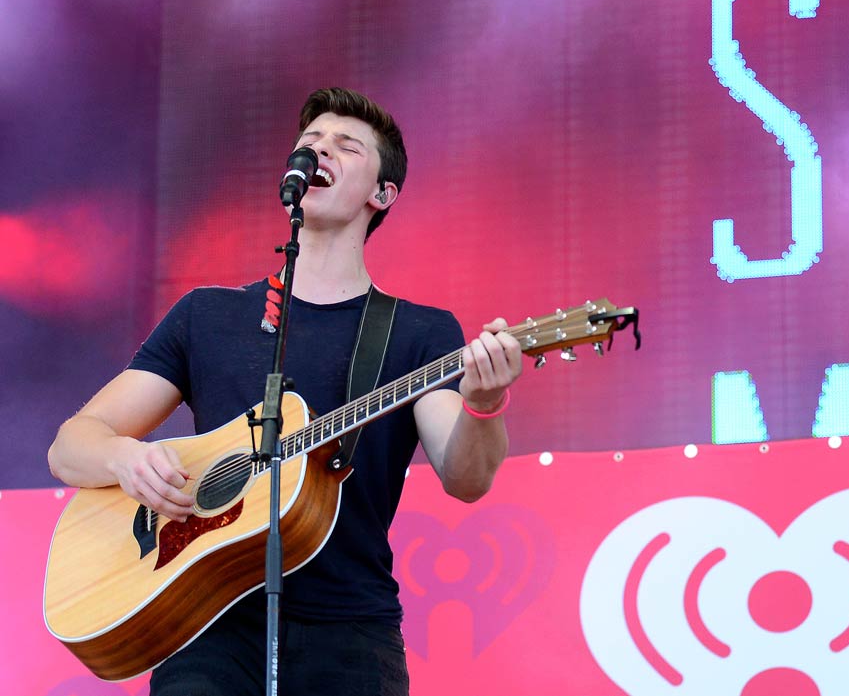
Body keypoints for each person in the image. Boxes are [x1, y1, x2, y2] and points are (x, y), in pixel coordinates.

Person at [47, 87, 526, 695]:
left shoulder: (419, 332)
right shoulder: (207, 315)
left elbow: (467, 478)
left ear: (383, 195)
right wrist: (128, 458)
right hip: (206, 626)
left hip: (350, 631)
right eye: (309, 143)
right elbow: (70, 446)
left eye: (346, 147)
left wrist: (484, 405)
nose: (319, 150)